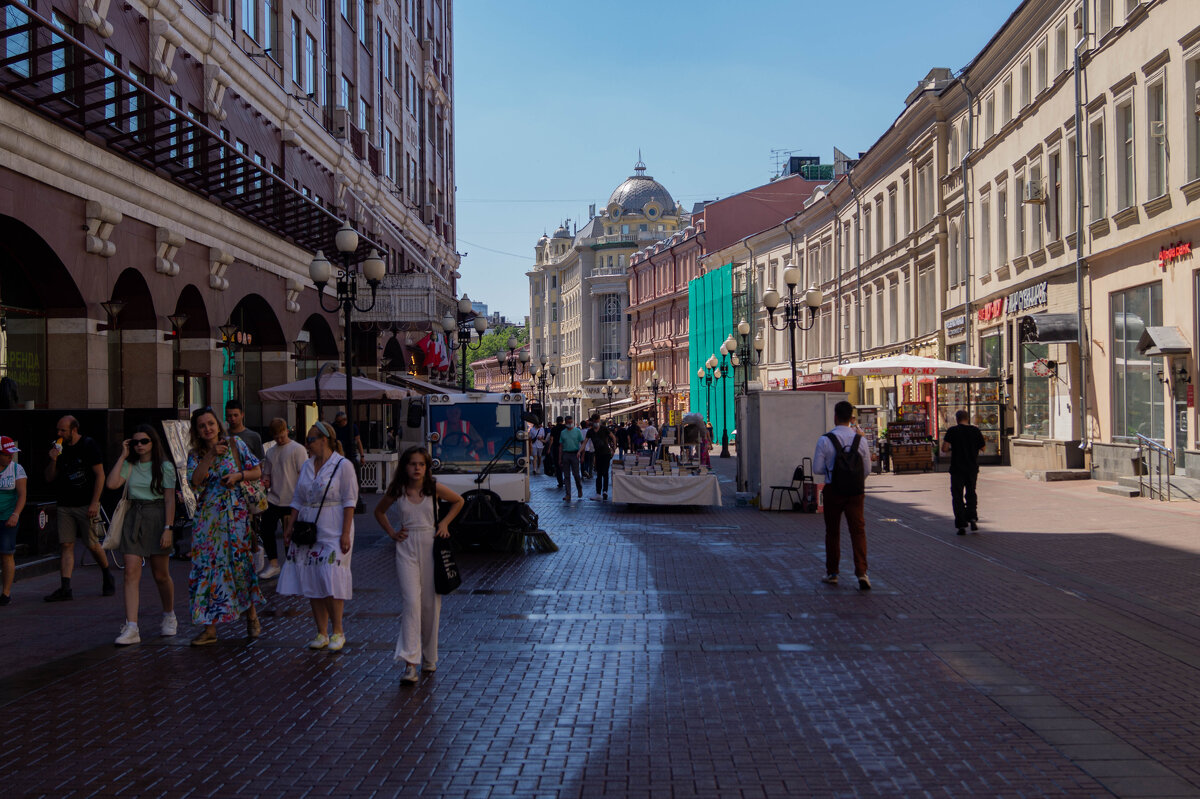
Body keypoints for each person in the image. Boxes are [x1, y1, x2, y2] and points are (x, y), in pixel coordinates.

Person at [374, 446, 464, 685]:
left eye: (421, 464)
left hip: (430, 544)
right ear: (405, 466)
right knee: (411, 602)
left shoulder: (433, 488)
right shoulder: (398, 490)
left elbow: (458, 501)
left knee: (430, 604)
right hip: (406, 547)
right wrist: (392, 533)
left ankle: (429, 657)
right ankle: (410, 663)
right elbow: (379, 511)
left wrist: (444, 524)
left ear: (427, 467)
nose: (417, 468)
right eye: (413, 464)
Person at [185, 406, 265, 645]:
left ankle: (250, 615)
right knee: (206, 570)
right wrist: (210, 455)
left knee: (239, 565)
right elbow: (195, 482)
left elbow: (257, 470)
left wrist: (237, 476)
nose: (207, 429)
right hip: (208, 519)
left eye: (211, 424)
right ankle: (209, 629)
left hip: (235, 515)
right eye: (202, 426)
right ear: (197, 431)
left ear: (218, 425)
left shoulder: (235, 445)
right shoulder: (195, 454)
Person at [278, 421, 358, 651]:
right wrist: (290, 525)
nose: (308, 444)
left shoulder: (343, 466)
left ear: (324, 439)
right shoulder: (307, 465)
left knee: (329, 573)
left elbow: (349, 501)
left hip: (333, 525)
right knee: (313, 575)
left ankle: (338, 630)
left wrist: (345, 533)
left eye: (311, 439)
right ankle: (321, 632)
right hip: (308, 525)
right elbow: (297, 498)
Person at [106, 425, 177, 645]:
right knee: (130, 572)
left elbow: (169, 499)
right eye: (135, 442)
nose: (139, 445)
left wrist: (168, 528)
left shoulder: (164, 467)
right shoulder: (130, 465)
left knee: (160, 574)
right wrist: (122, 456)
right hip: (133, 516)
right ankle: (132, 627)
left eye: (144, 441)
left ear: (153, 442)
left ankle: (169, 614)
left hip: (156, 516)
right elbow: (111, 484)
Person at [44, 416, 111, 602]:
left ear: (74, 430)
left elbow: (100, 475)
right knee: (66, 544)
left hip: (85, 503)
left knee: (92, 543)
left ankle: (107, 574)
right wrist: (53, 460)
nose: (59, 434)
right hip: (65, 503)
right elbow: (49, 477)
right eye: (58, 430)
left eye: (63, 430)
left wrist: (95, 502)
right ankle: (65, 587)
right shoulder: (58, 448)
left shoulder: (88, 445)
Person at [813, 400, 873, 591]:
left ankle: (833, 573)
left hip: (833, 490)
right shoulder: (860, 440)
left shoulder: (825, 440)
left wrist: (833, 471)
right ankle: (862, 572)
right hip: (856, 492)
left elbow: (817, 469)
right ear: (851, 418)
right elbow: (867, 469)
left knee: (832, 532)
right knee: (858, 531)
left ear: (835, 417)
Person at [259, 418, 307, 580]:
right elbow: (267, 472)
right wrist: (265, 480)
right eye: (276, 437)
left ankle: (290, 566)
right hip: (274, 498)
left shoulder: (298, 449)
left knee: (289, 535)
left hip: (291, 499)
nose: (279, 440)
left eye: (282, 436)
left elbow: (303, 474)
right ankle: (273, 563)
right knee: (266, 529)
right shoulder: (271, 452)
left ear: (287, 431)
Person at [941, 409, 987, 535]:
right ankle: (972, 518)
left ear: (957, 419)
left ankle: (961, 525)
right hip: (972, 468)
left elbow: (944, 448)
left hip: (957, 468)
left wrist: (953, 448)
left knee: (957, 496)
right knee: (971, 493)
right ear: (968, 418)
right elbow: (983, 447)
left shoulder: (952, 431)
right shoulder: (975, 430)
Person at [0, 436, 27, 605]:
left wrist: (15, 514)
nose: (10, 457)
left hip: (8, 518)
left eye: (12, 454)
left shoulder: (17, 469)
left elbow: (22, 494)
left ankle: (5, 593)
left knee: (6, 553)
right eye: (6, 454)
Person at [588, 420, 617, 501]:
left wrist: (614, 447)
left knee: (602, 474)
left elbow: (613, 437)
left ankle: (603, 492)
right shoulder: (590, 431)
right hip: (599, 454)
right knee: (601, 474)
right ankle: (602, 492)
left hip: (605, 454)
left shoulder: (604, 429)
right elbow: (585, 442)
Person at [558, 416, 584, 501]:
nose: (570, 424)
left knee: (576, 474)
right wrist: (560, 458)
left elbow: (582, 443)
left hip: (575, 454)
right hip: (566, 454)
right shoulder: (563, 433)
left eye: (571, 422)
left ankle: (579, 489)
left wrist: (582, 454)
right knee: (566, 476)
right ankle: (568, 494)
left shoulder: (577, 431)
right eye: (568, 422)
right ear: (565, 423)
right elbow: (561, 446)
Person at [547, 416, 566, 486]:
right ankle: (565, 479)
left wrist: (549, 448)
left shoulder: (554, 428)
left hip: (556, 447)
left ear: (556, 421)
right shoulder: (565, 428)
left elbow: (551, 439)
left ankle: (560, 482)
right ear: (562, 420)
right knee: (565, 464)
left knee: (557, 465)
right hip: (564, 447)